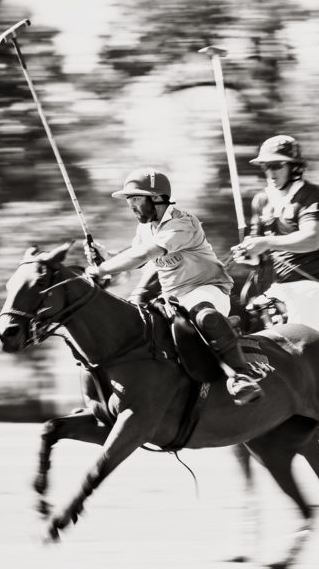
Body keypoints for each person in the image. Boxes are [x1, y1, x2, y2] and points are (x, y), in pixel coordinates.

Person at [85, 167, 265, 405]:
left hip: (207, 289)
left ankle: (241, 375)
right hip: (173, 298)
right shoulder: (145, 228)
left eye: (136, 199)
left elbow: (146, 254)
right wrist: (106, 256)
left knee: (202, 313)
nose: (131, 205)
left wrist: (101, 269)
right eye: (129, 200)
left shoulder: (183, 223)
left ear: (157, 198)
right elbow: (133, 256)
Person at [230, 135, 319, 333]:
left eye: (277, 165)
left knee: (295, 345)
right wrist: (248, 253)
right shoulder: (262, 200)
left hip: (314, 287)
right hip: (279, 289)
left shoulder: (309, 194)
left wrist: (266, 242)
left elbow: (312, 239)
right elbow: (259, 252)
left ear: (294, 168)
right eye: (266, 166)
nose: (270, 172)